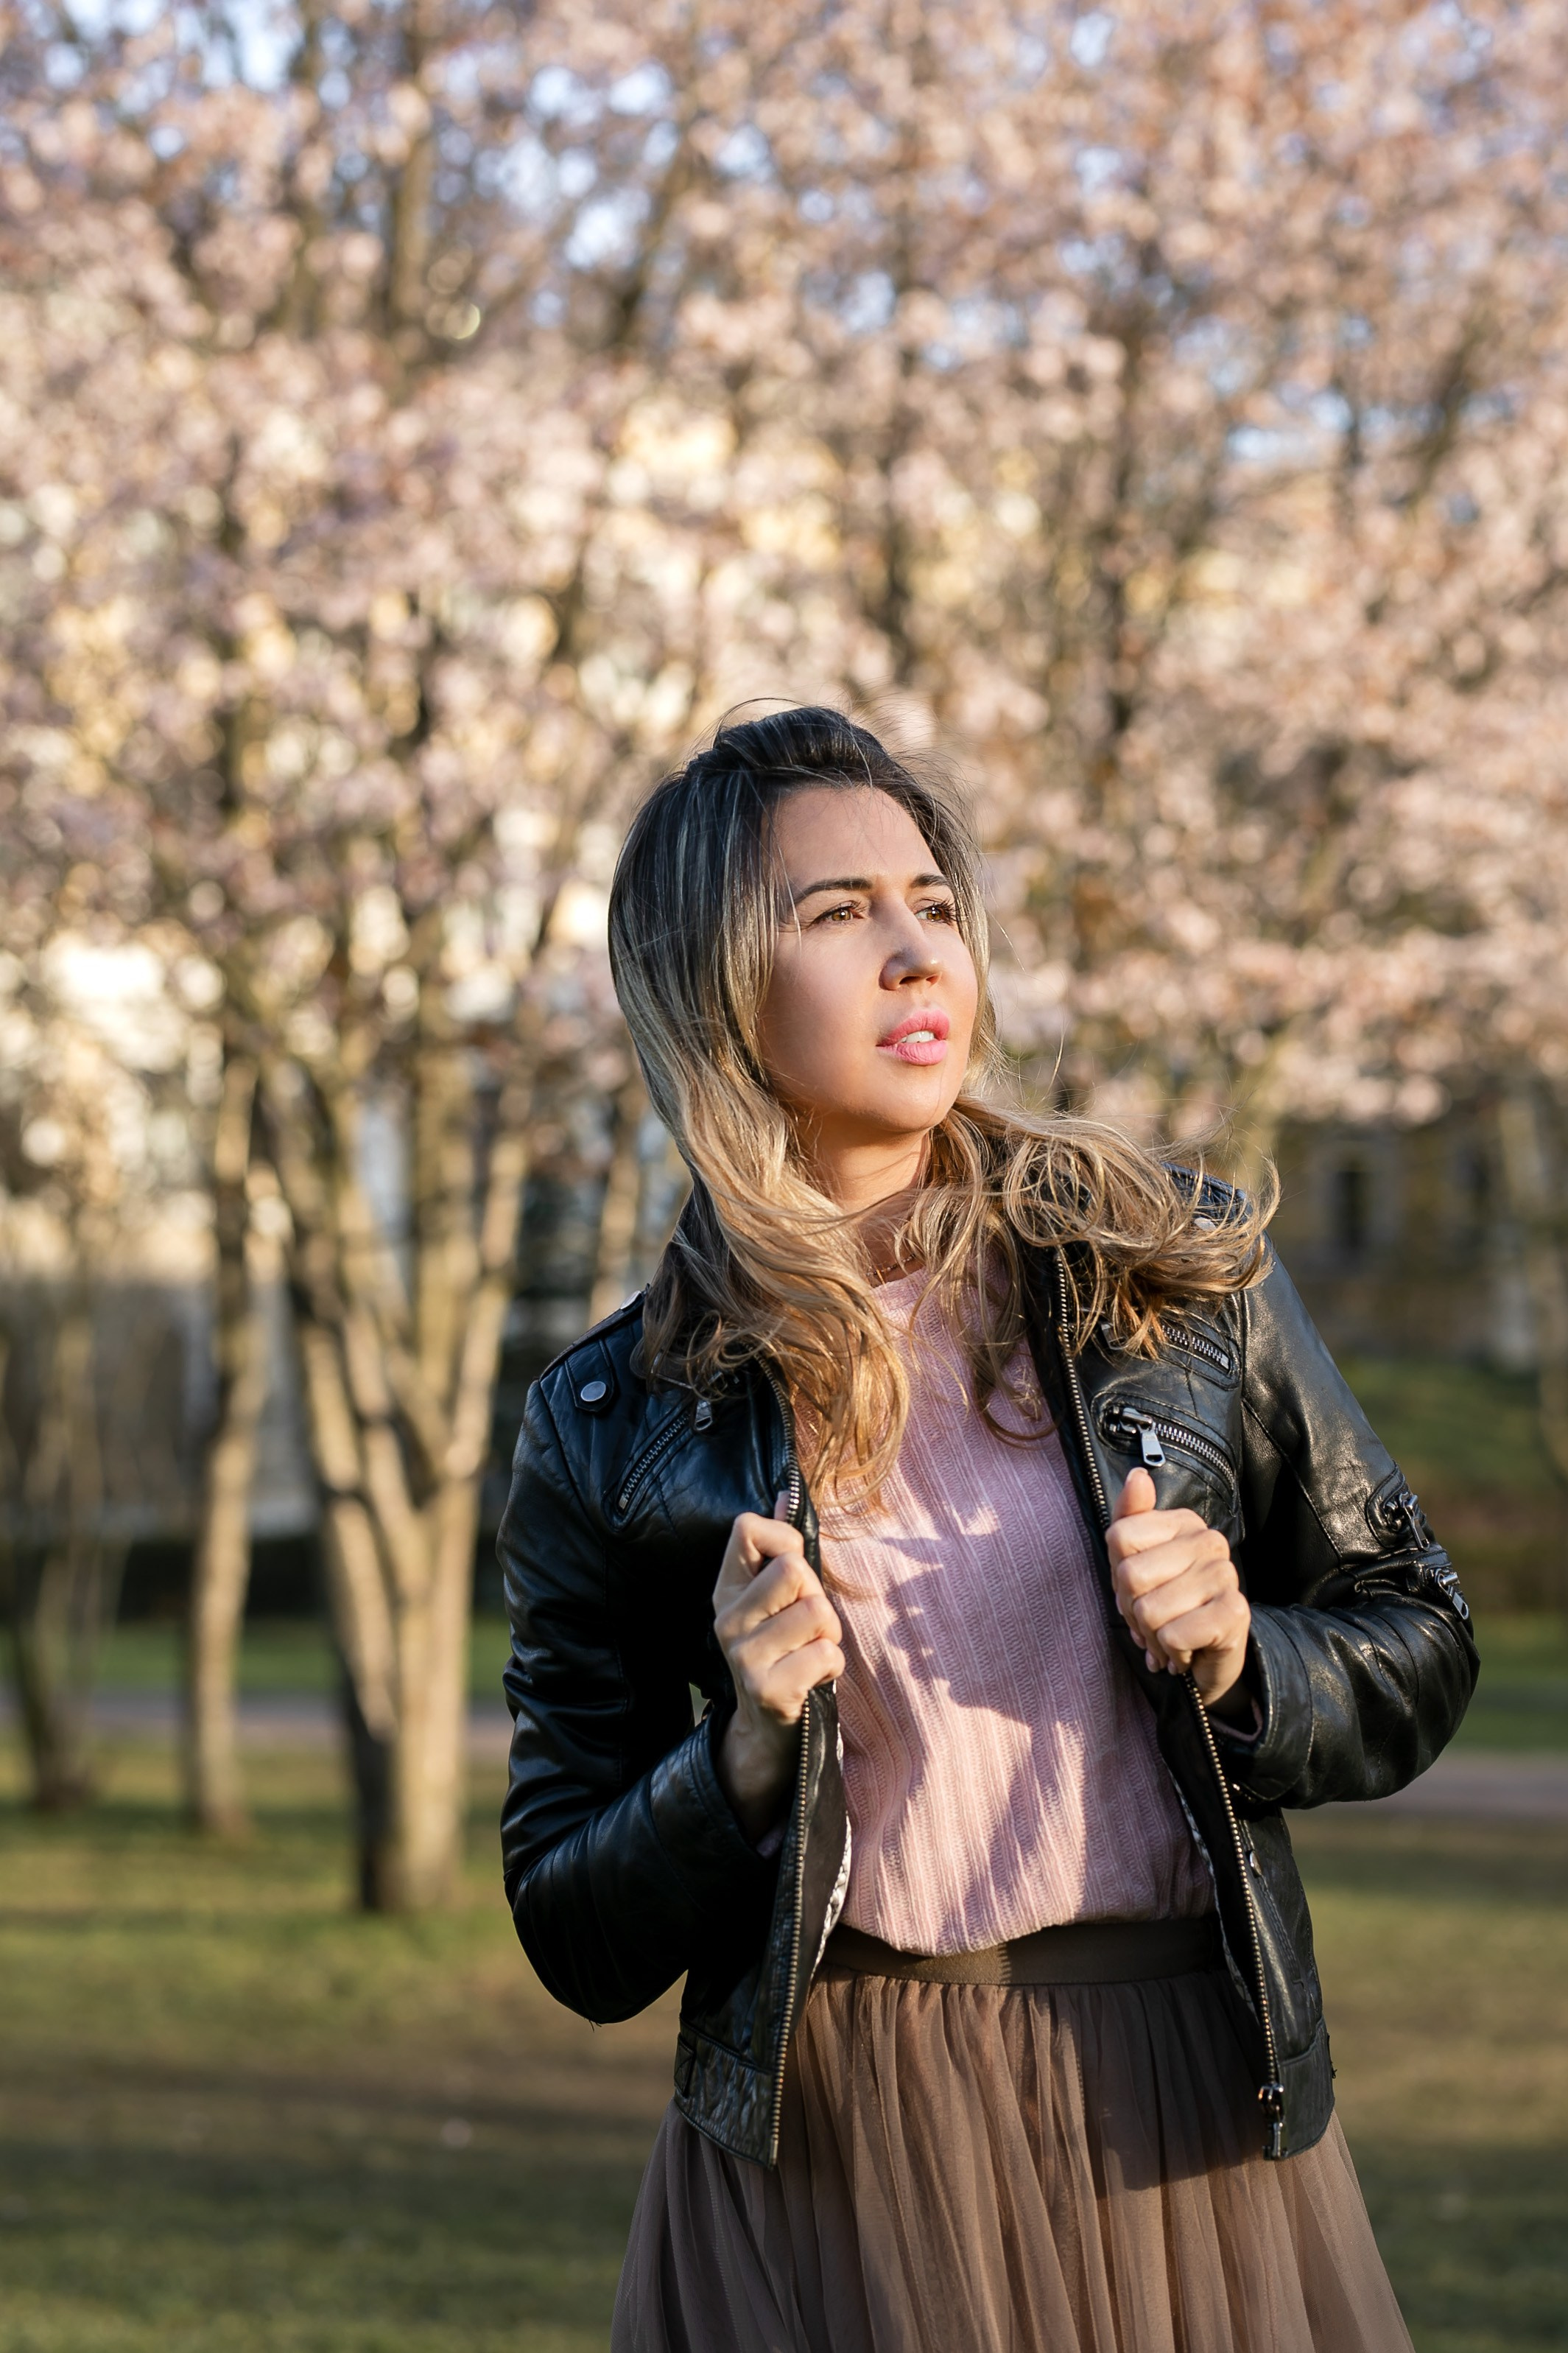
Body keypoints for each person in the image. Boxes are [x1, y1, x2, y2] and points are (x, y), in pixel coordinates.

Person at [498, 707, 1477, 2353]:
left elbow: (1419, 1625)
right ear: (714, 987)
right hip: (837, 2146)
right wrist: (736, 1760)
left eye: (931, 902)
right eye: (835, 913)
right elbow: (570, 1922)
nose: (909, 952)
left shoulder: (1171, 1277)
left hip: (1174, 2115)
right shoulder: (614, 1421)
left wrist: (1246, 1654)